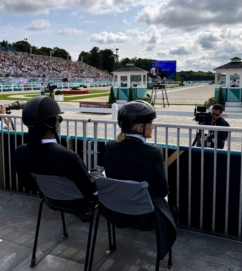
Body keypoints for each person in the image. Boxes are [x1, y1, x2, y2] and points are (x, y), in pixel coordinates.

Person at [104, 100, 177, 260]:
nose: (152, 126)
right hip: (144, 216)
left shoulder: (109, 147)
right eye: (150, 123)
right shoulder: (153, 153)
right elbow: (163, 190)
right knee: (171, 204)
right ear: (140, 128)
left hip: (113, 210)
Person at [13, 96, 99, 220]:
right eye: (58, 119)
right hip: (78, 203)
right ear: (51, 123)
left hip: (50, 200)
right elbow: (91, 191)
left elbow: (29, 184)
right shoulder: (69, 157)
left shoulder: (20, 152)